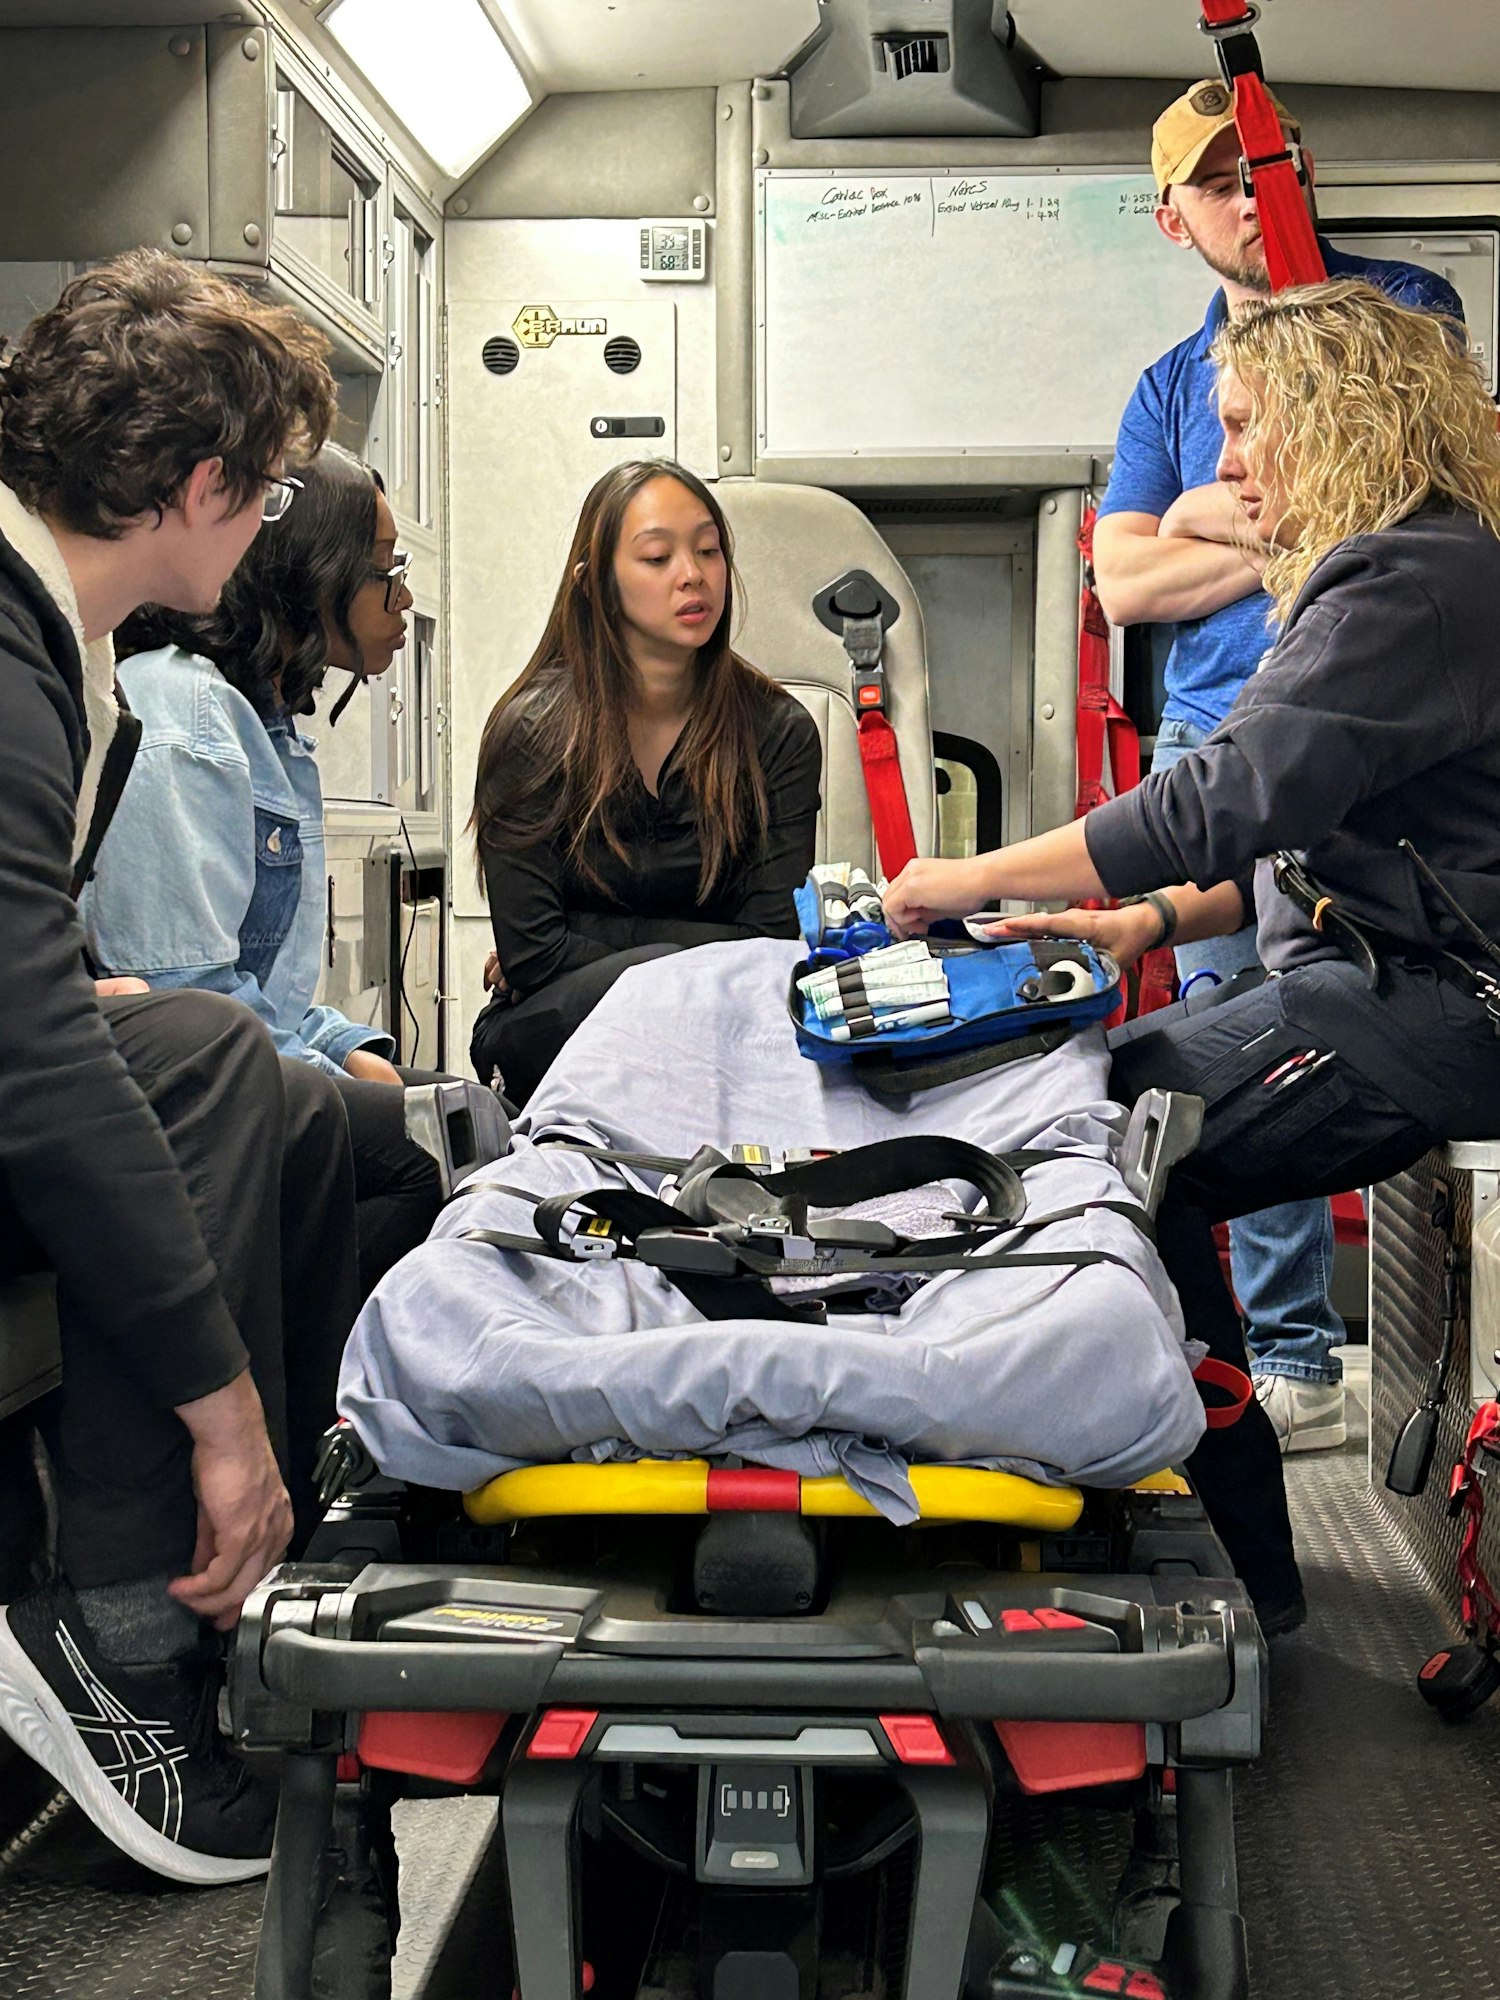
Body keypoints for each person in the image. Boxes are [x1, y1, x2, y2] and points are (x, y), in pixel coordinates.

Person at [883, 278, 1500, 1633]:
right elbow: (1301, 845)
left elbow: (1215, 801)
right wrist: (1144, 922)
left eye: (1244, 426)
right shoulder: (1406, 570)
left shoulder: (1412, 578)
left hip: (1444, 1012)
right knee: (1110, 1112)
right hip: (1381, 981)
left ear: (1339, 420)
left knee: (1121, 1135)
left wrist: (963, 879)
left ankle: (1215, 1568)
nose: (1223, 467)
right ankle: (1224, 1550)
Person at [0, 250, 361, 1882]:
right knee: (212, 1058)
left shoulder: (51, 643)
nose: (265, 523)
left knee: (284, 1097)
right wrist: (225, 1422)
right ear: (199, 487)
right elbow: (28, 1062)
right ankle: (136, 1638)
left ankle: (266, 1622)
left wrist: (77, 975)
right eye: (267, 494)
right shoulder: (16, 655)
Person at [1091, 80, 1466, 1454]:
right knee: (1213, 1047)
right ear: (1171, 215)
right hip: (1215, 726)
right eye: (1221, 178)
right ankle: (1263, 1359)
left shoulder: (1398, 305)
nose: (1255, 192)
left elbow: (1405, 500)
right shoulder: (1166, 383)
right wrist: (1282, 523)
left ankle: (1299, 1371)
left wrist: (1228, 520)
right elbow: (1124, 581)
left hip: (1355, 742)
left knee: (1301, 1034)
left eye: (1272, 166)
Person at [84, 445, 443, 1293]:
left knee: (465, 1115)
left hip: (240, 1057)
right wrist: (332, 1075)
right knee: (427, 1153)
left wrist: (346, 1046)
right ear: (309, 574)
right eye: (385, 571)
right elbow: (191, 1002)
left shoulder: (263, 721)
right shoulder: (184, 710)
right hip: (174, 1092)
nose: (404, 599)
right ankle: (316, 1410)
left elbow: (261, 989)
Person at [470, 459, 822, 1103]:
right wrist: (708, 948)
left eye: (710, 551)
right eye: (657, 557)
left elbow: (770, 947)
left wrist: (586, 929)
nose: (693, 574)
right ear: (595, 585)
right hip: (556, 1031)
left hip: (725, 1026)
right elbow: (536, 959)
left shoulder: (779, 733)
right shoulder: (532, 732)